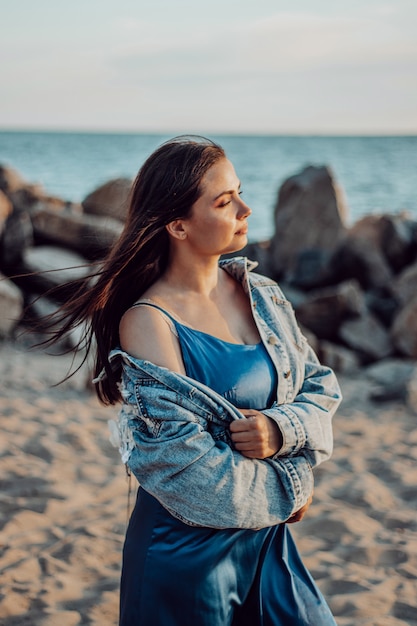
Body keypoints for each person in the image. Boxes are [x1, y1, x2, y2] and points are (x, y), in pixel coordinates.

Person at [47, 136, 342, 625]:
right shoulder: (148, 322)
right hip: (186, 557)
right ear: (178, 225)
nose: (246, 209)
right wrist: (295, 484)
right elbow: (188, 470)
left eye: (240, 193)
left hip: (268, 544)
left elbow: (321, 389)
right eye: (225, 202)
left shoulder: (262, 294)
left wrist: (280, 431)